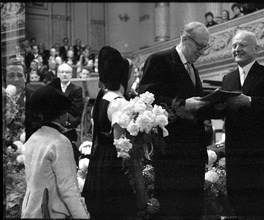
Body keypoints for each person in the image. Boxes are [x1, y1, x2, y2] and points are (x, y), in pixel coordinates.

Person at [137, 21, 210, 219]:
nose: (202, 52)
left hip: (193, 153)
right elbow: (146, 98)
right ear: (185, 39)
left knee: (192, 210)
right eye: (200, 46)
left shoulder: (192, 69)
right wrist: (183, 104)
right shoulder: (159, 60)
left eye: (206, 47)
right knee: (172, 209)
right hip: (172, 153)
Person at [219, 30, 264, 218]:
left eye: (242, 45)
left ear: (257, 49)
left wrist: (250, 101)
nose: (237, 49)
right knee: (239, 198)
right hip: (236, 150)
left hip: (262, 149)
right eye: (234, 46)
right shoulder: (227, 78)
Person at [82, 46, 137, 219]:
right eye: (133, 75)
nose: (134, 79)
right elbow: (121, 146)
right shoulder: (118, 102)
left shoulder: (103, 97)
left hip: (99, 160)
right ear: (124, 76)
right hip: (113, 167)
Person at [22, 81, 90, 219]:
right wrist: (82, 216)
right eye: (66, 112)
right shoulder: (59, 142)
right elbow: (68, 188)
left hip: (30, 210)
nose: (67, 116)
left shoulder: (32, 139)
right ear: (60, 115)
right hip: (51, 212)